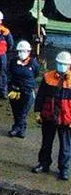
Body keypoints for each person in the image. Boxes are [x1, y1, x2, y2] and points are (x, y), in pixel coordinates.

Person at [32, 51, 71, 180]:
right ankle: (43, 164)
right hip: (49, 116)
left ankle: (64, 169)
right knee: (46, 143)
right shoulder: (48, 77)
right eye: (60, 63)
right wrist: (37, 112)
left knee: (65, 146)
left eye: (64, 64)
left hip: (66, 119)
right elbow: (40, 96)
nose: (62, 66)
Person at [8, 40, 39, 138]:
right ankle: (18, 128)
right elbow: (9, 72)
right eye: (20, 51)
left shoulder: (33, 63)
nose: (22, 53)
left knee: (23, 111)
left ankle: (19, 128)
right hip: (15, 90)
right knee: (16, 110)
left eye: (24, 51)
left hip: (27, 91)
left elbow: (36, 73)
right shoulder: (13, 62)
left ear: (29, 52)